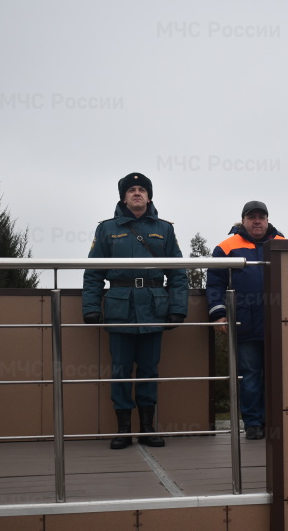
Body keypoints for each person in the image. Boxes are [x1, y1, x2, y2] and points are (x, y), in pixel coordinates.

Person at [82, 172, 188, 450]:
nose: (137, 193)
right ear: (123, 197)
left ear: (149, 196)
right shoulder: (106, 229)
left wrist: (178, 308)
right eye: (131, 190)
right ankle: (124, 429)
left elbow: (178, 273)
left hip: (154, 308)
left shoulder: (164, 229)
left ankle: (148, 428)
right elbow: (93, 273)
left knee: (149, 370)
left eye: (142, 189)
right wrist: (91, 307)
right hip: (119, 307)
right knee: (120, 371)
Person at [206, 201, 284, 440]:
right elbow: (215, 284)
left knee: (278, 374)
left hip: (279, 324)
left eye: (261, 217)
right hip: (245, 324)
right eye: (252, 217)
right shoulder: (226, 248)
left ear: (268, 220)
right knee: (250, 375)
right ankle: (252, 423)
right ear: (243, 221)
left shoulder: (284, 244)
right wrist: (218, 313)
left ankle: (276, 421)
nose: (257, 221)